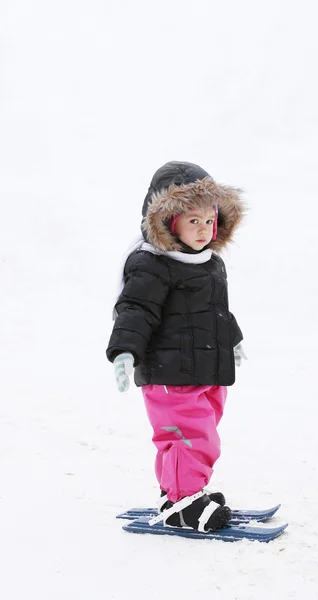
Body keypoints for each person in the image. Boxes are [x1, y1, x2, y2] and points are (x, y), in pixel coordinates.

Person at [106, 161, 247, 532]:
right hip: (170, 371)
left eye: (209, 220)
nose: (203, 230)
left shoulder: (207, 262)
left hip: (206, 367)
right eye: (192, 221)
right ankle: (185, 504)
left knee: (205, 433)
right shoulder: (153, 264)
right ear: (169, 222)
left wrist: (232, 340)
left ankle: (181, 491)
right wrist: (125, 350)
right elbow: (136, 310)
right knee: (188, 435)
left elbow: (214, 311)